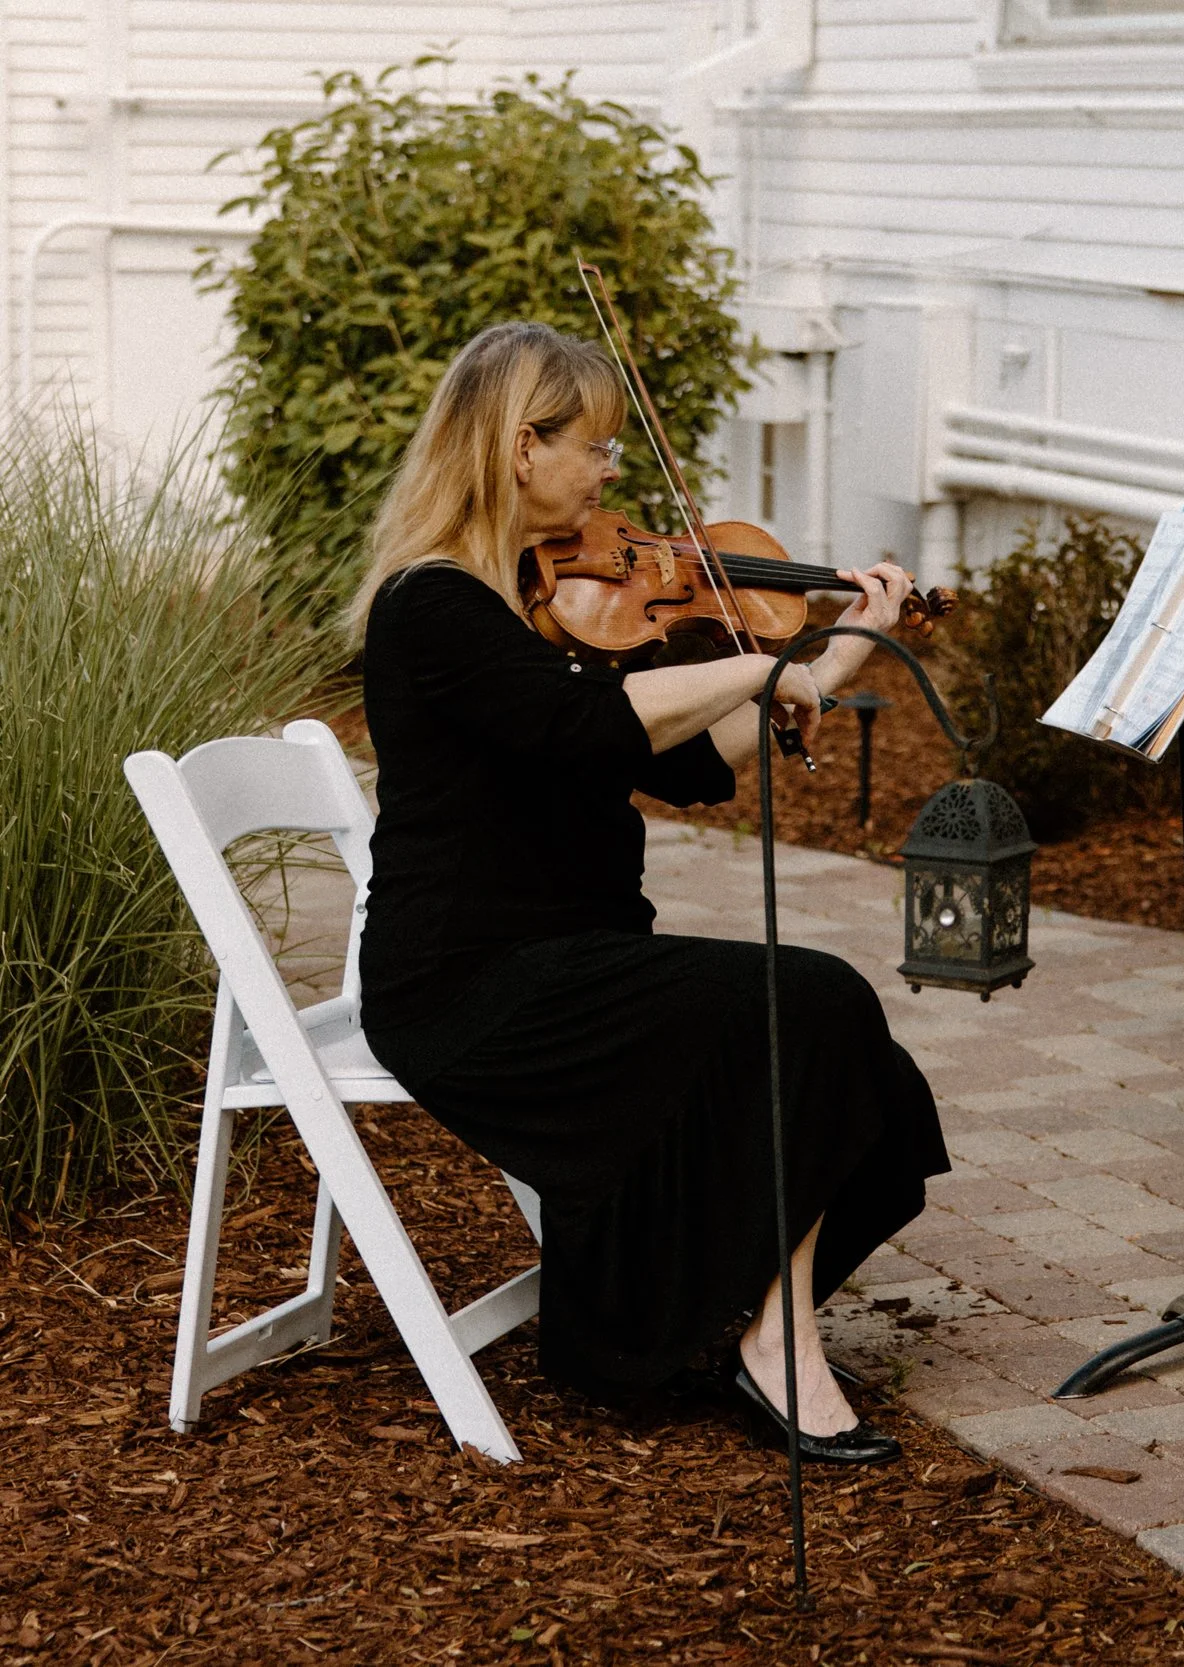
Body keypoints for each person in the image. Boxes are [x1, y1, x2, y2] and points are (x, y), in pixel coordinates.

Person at [351, 320, 947, 1463]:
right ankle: (775, 1348)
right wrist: (760, 664)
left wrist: (840, 649)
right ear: (523, 448)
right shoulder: (432, 606)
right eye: (597, 447)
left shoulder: (549, 609)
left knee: (809, 1017)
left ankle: (763, 1330)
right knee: (809, 1001)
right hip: (469, 989)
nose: (616, 473)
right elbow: (583, 722)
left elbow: (674, 761)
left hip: (577, 954)